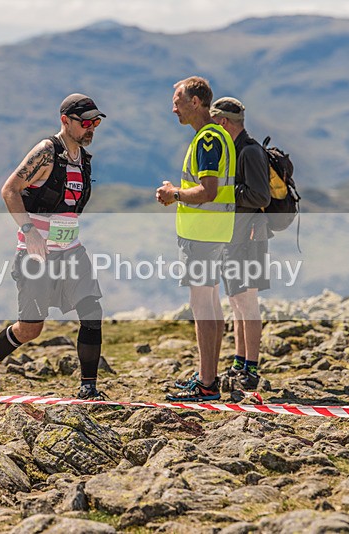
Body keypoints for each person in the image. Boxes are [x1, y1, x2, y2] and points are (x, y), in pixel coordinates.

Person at [0, 94, 107, 400]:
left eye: (96, 123)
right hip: (37, 255)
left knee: (91, 311)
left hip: (71, 252)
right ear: (65, 121)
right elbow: (10, 190)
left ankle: (88, 389)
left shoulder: (83, 159)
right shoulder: (47, 152)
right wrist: (29, 231)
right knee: (31, 329)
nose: (91, 129)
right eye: (85, 123)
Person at [156, 77, 236, 402]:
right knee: (211, 305)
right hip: (215, 231)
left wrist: (174, 194)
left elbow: (208, 191)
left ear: (195, 102)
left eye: (178, 101)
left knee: (202, 306)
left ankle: (206, 383)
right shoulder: (217, 135)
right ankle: (208, 377)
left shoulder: (207, 139)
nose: (173, 108)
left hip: (202, 233)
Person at [211, 97, 271, 391]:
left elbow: (260, 196)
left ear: (223, 122)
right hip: (235, 235)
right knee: (236, 299)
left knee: (247, 301)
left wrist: (224, 191)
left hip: (250, 236)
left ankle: (251, 368)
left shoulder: (249, 151)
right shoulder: (236, 150)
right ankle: (240, 362)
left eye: (215, 123)